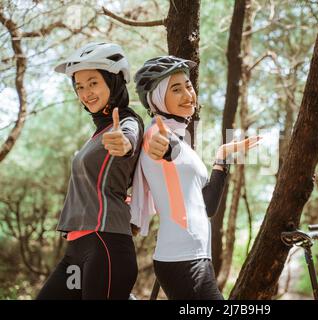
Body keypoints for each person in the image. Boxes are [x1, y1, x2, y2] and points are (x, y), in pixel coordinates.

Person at [130, 56, 260, 299]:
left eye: (188, 85)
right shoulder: (157, 134)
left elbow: (207, 206)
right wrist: (163, 147)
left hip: (196, 254)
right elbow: (161, 147)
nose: (188, 94)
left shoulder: (182, 142)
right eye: (176, 89)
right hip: (182, 258)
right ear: (157, 99)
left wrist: (223, 156)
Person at [36, 42, 144, 300]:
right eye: (79, 86)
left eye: (93, 82)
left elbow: (128, 139)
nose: (85, 92)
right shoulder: (96, 135)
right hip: (77, 248)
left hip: (106, 245)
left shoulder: (127, 122)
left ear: (114, 81)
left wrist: (124, 144)